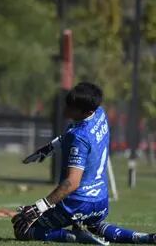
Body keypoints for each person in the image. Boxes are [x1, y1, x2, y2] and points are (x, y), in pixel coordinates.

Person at [13, 82, 156, 244]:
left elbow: (72, 183)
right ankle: (143, 237)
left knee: (21, 227)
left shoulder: (79, 136)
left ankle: (74, 236)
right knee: (95, 225)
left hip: (76, 203)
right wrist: (50, 147)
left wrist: (39, 207)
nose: (66, 109)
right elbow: (70, 135)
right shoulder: (100, 113)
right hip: (101, 202)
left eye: (71, 107)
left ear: (86, 111)